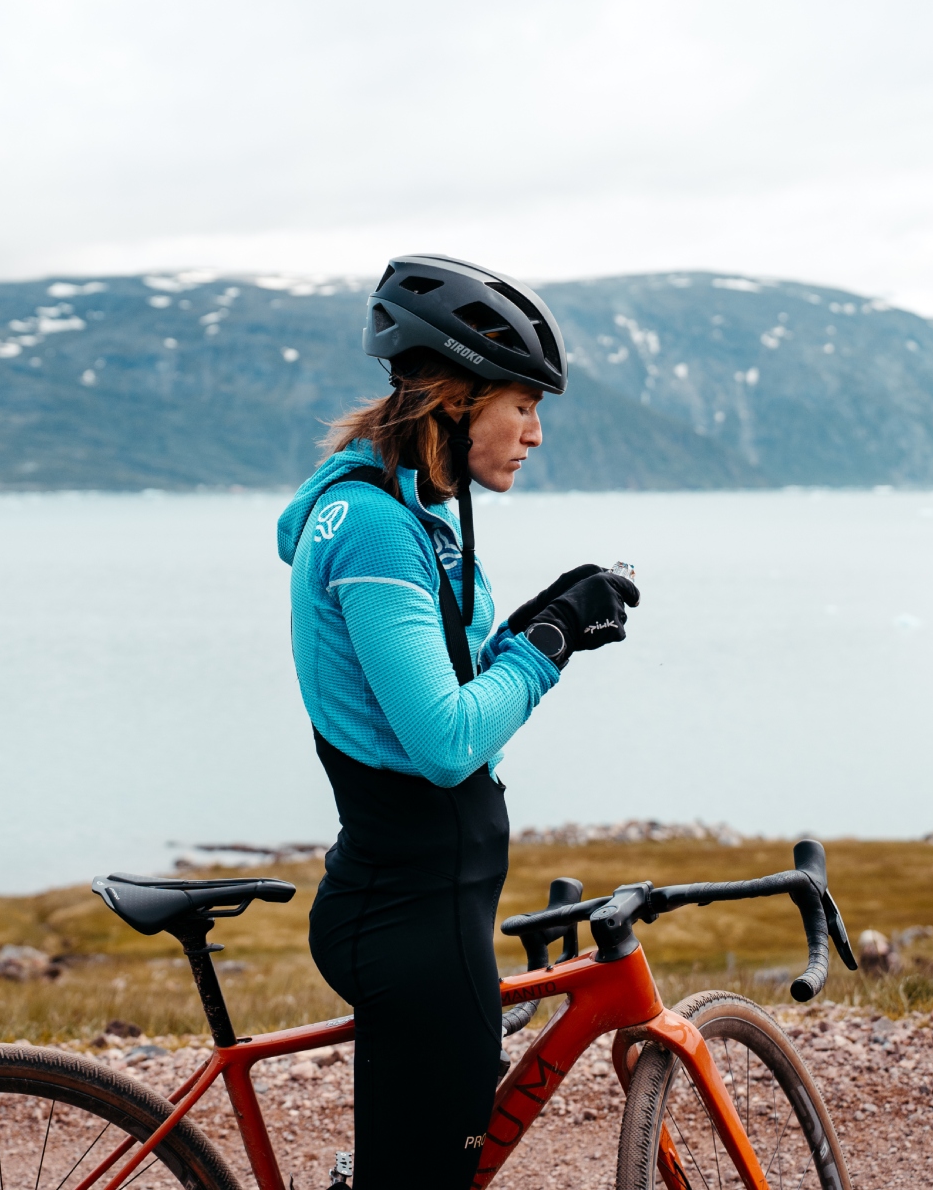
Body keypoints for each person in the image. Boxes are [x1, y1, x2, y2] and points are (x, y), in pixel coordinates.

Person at [275, 254, 641, 1188]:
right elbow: (445, 742)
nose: (536, 434)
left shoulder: (407, 515)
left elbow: (448, 690)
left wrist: (536, 623)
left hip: (424, 908)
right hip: (412, 919)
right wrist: (549, 643)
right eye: (523, 404)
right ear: (454, 398)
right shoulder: (375, 527)